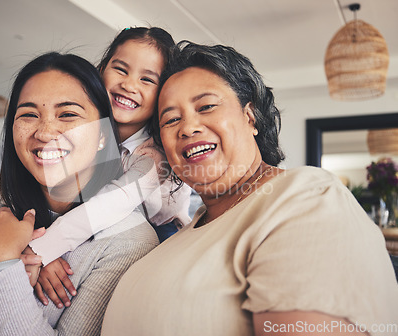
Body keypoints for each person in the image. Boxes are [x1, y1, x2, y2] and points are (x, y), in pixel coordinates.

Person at [101, 42, 398, 336]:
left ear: (250, 116)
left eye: (206, 106)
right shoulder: (178, 231)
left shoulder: (305, 197)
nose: (188, 127)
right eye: (171, 119)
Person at [0, 52, 159, 335]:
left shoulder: (129, 241)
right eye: (29, 114)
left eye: (67, 114)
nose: (44, 132)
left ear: (103, 133)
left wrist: (2, 264)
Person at [28, 27, 192, 309]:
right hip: (87, 219)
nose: (130, 85)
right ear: (101, 70)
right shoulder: (84, 129)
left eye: (147, 79)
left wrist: (39, 251)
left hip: (157, 228)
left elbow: (109, 205)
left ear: (163, 95)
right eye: (121, 69)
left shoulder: (153, 157)